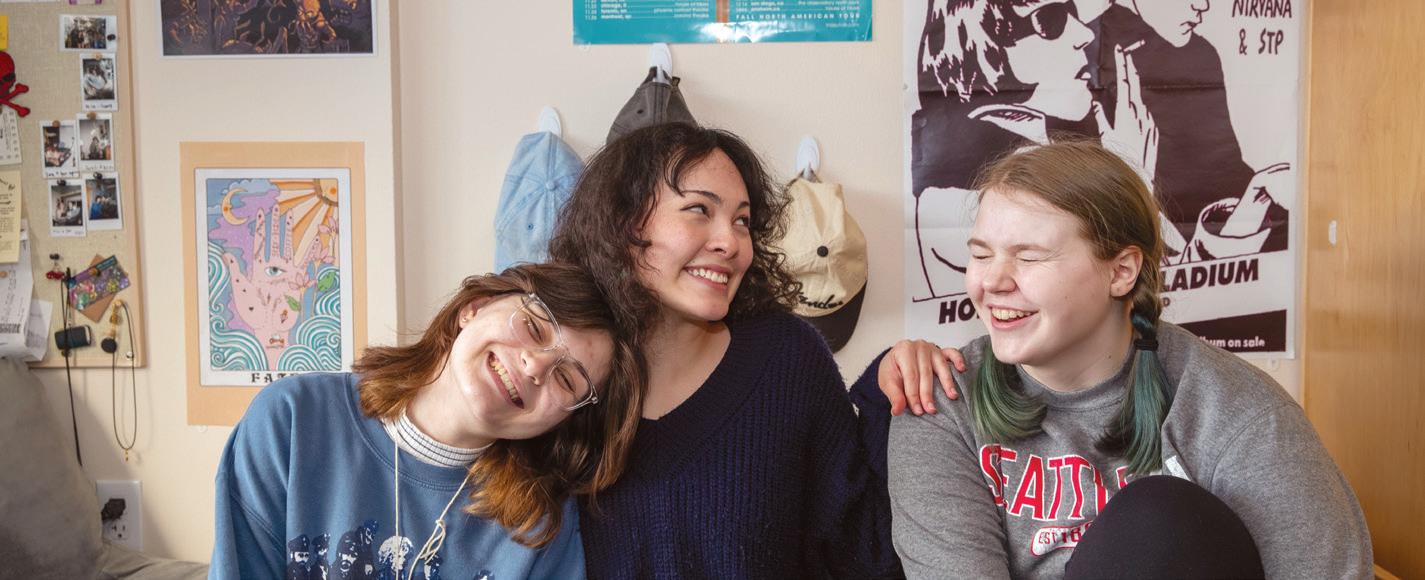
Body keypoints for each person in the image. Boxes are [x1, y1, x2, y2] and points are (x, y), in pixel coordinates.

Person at [873, 141, 1372, 578]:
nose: (992, 281)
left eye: (1029, 256)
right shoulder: (940, 403)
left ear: (1121, 272)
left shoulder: (1237, 411)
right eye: (981, 254)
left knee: (1154, 522)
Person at [548, 123, 910, 578]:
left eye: (742, 221)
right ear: (622, 224)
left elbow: (865, 553)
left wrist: (889, 392)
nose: (731, 242)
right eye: (699, 210)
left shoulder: (787, 358)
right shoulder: (560, 376)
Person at [211, 263, 643, 579]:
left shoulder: (540, 525)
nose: (534, 365)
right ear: (474, 307)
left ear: (563, 421)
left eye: (566, 379)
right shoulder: (292, 421)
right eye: (534, 328)